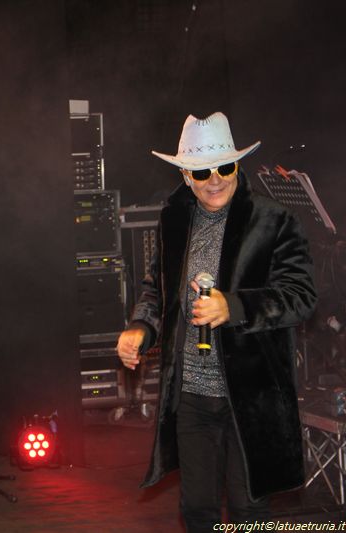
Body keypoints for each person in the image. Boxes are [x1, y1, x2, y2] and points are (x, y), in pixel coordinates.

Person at [117, 112, 316, 531]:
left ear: (237, 165)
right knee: (197, 510)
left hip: (251, 397)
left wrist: (235, 306)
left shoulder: (273, 219)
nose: (215, 180)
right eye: (202, 171)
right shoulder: (173, 221)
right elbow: (158, 290)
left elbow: (301, 297)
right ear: (186, 176)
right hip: (192, 394)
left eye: (224, 167)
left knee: (248, 513)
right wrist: (140, 328)